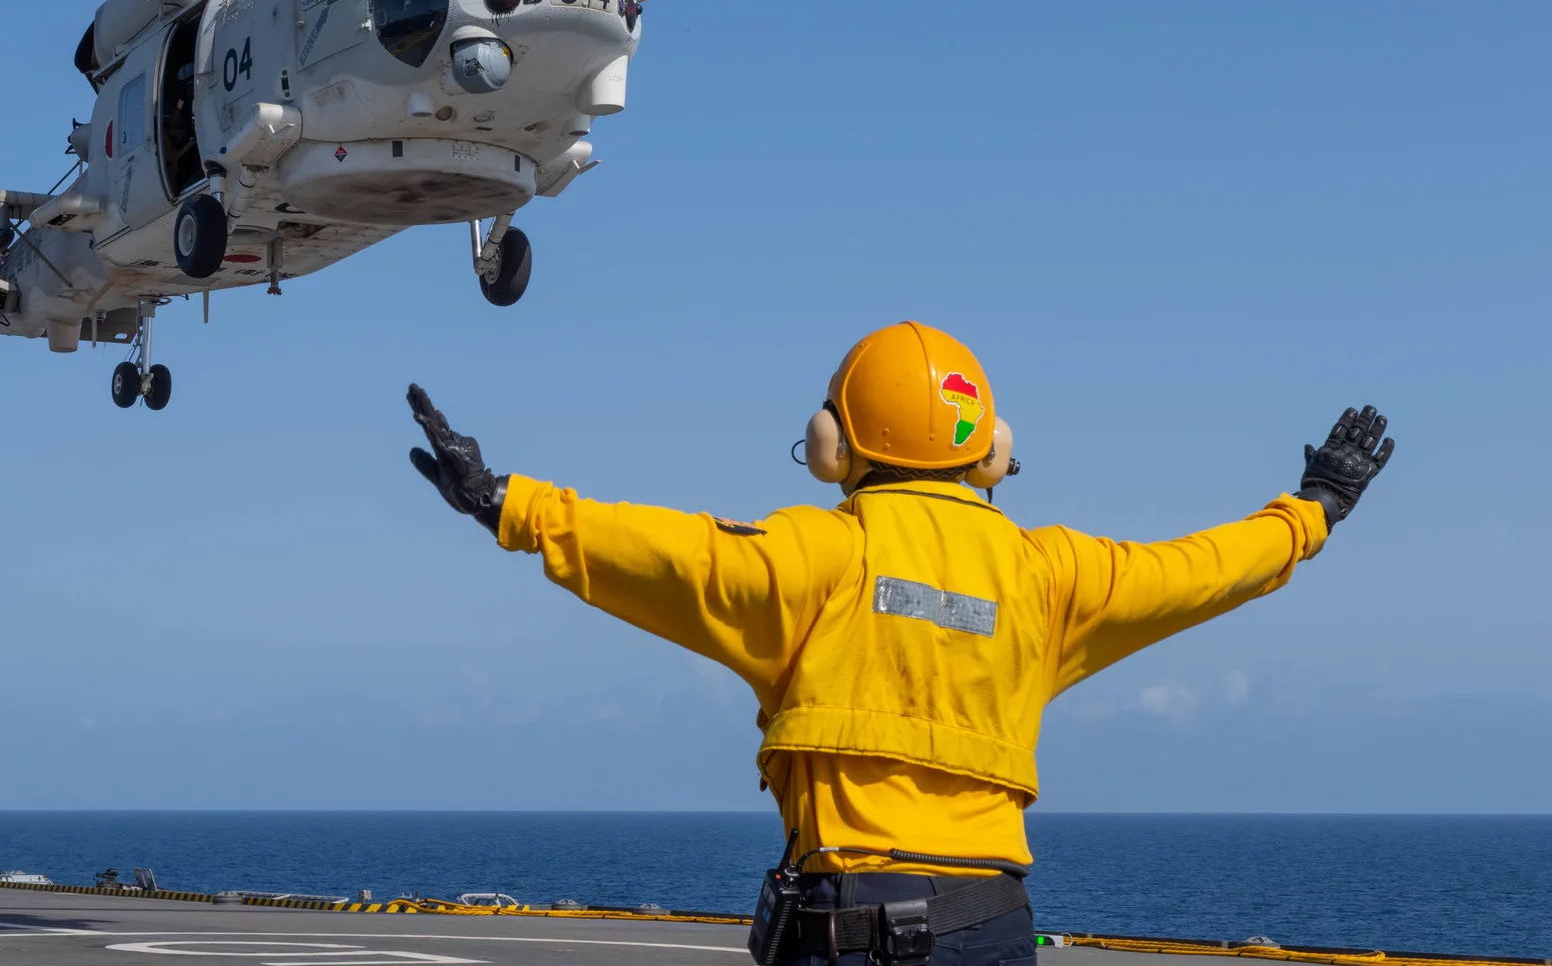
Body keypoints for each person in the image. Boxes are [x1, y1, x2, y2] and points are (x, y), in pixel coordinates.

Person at [405, 320, 1393, 966]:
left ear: (834, 444)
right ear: (989, 445)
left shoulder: (810, 557)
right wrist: (1311, 510)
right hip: (992, 930)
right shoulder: (1048, 575)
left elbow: (660, 552)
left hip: (846, 929)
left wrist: (507, 503)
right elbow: (1199, 566)